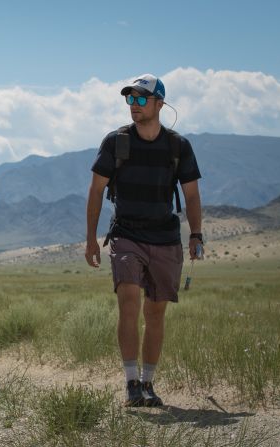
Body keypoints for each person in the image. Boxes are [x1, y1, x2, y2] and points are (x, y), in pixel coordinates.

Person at [85, 74, 203, 407]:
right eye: (130, 100)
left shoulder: (178, 146)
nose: (133, 106)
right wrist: (91, 240)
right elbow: (95, 191)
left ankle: (149, 384)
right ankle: (131, 382)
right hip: (126, 234)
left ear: (160, 103)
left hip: (165, 238)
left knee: (155, 314)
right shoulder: (116, 142)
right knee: (128, 304)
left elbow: (191, 194)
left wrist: (195, 233)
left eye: (140, 99)